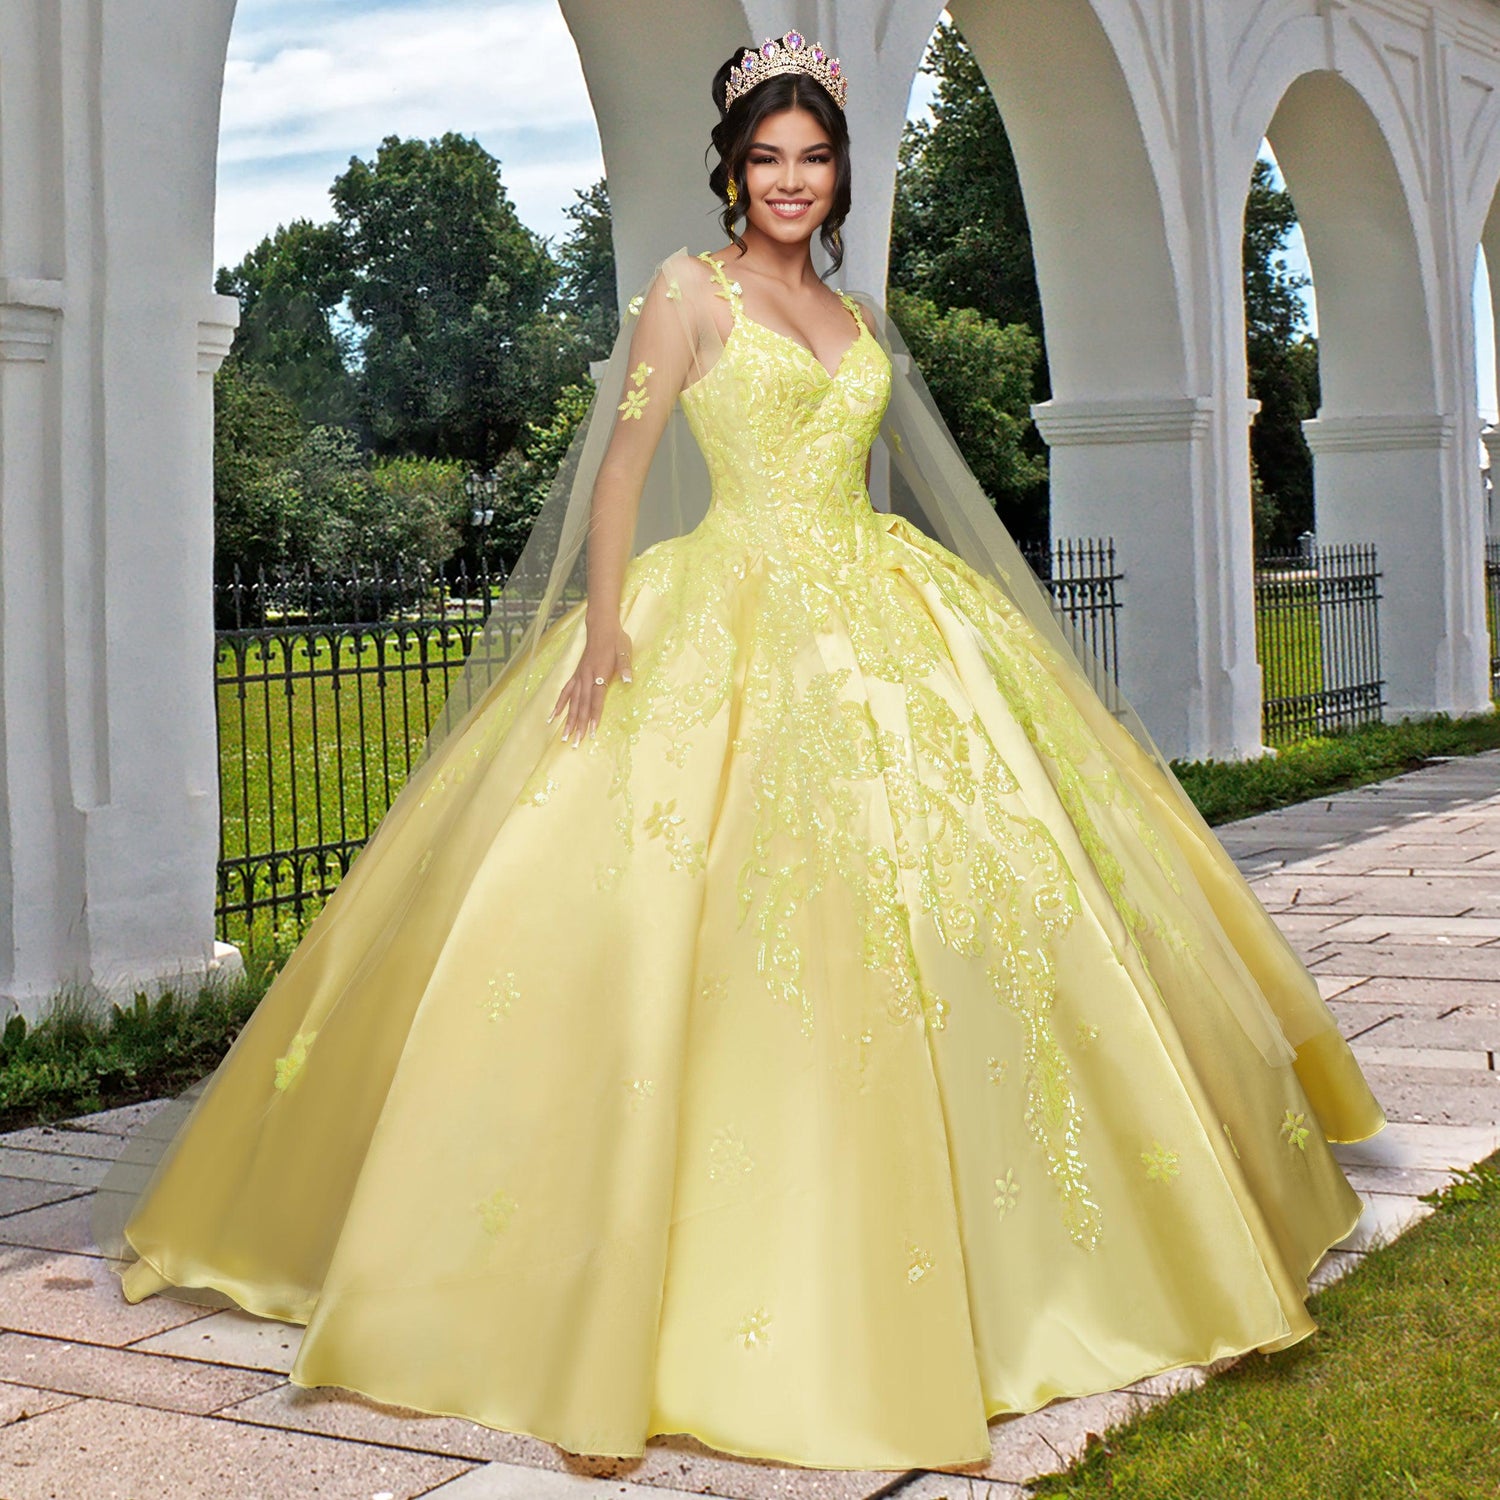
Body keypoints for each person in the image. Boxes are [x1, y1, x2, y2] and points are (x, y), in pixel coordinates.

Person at [93, 28, 1386, 1474]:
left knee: (976, 899)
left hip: (883, 612)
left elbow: (873, 466)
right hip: (726, 607)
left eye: (814, 155)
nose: (790, 179)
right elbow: (623, 470)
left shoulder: (855, 312)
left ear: (839, 173)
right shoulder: (686, 296)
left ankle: (1057, 1253)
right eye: (767, 156)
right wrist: (599, 628)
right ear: (732, 167)